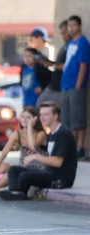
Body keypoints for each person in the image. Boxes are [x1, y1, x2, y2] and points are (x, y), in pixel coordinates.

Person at [0, 102, 78, 201]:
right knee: (14, 170)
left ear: (55, 116)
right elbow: (49, 156)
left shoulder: (63, 134)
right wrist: (36, 154)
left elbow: (57, 162)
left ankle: (20, 193)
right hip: (49, 172)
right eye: (41, 114)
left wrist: (35, 157)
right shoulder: (52, 134)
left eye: (46, 114)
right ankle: (16, 192)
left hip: (60, 179)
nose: (42, 117)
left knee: (24, 176)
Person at [60, 15, 90, 160]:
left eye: (73, 25)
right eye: (69, 26)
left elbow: (83, 65)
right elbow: (68, 64)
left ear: (79, 26)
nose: (71, 28)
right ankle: (71, 148)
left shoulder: (83, 43)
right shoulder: (70, 43)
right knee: (68, 119)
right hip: (65, 85)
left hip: (76, 86)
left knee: (78, 118)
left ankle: (80, 148)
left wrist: (78, 85)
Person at [36, 20, 72, 107]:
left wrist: (52, 65)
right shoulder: (66, 45)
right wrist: (48, 62)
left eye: (64, 33)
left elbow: (68, 66)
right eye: (61, 34)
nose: (63, 36)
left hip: (61, 86)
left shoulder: (72, 46)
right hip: (55, 83)